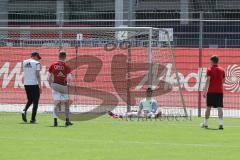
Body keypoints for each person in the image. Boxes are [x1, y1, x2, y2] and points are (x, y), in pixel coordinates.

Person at [48, 51, 73, 127]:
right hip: (63, 86)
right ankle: (67, 121)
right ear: (65, 57)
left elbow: (48, 77)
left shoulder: (53, 65)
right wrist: (68, 84)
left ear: (58, 56)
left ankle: (55, 122)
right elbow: (69, 78)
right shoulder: (67, 66)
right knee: (66, 104)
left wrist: (50, 85)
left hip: (55, 85)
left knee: (56, 103)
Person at [201, 55, 225, 130]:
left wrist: (205, 91)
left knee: (208, 107)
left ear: (212, 61)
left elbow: (208, 80)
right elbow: (223, 81)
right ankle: (221, 124)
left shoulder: (209, 69)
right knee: (220, 107)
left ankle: (205, 123)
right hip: (219, 91)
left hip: (211, 91)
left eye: (210, 61)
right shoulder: (222, 70)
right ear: (217, 61)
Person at [22, 52, 42, 123]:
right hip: (34, 84)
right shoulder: (36, 63)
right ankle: (33, 119)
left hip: (26, 84)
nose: (38, 59)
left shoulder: (24, 62)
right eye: (38, 57)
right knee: (35, 102)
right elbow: (38, 75)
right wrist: (40, 86)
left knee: (30, 100)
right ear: (36, 56)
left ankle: (24, 110)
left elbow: (25, 72)